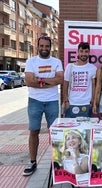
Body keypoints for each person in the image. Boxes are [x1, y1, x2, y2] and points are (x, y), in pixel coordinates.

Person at [23, 35, 64, 176]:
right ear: (38, 46)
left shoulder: (56, 61)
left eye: (47, 46)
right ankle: (32, 162)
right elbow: (29, 81)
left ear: (50, 47)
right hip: (35, 101)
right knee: (34, 131)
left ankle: (56, 162)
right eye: (42, 46)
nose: (44, 48)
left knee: (54, 132)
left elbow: (60, 79)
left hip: (52, 101)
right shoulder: (31, 61)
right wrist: (49, 81)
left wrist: (39, 80)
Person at [63, 42, 97, 118]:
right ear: (78, 52)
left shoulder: (93, 68)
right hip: (72, 103)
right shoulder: (70, 66)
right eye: (81, 51)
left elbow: (94, 86)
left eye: (86, 51)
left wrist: (92, 101)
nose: (84, 54)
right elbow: (65, 84)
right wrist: (66, 101)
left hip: (86, 104)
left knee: (86, 128)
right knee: (70, 129)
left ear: (89, 53)